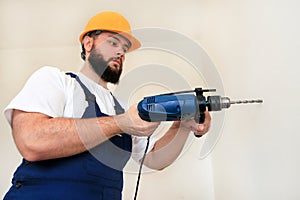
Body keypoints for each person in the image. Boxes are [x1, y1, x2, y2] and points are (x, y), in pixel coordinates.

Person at [3, 11, 211, 199]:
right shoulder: (56, 81)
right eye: (113, 43)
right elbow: (31, 141)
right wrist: (119, 124)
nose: (121, 52)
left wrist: (181, 127)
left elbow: (154, 158)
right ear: (88, 43)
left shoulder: (121, 108)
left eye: (125, 48)